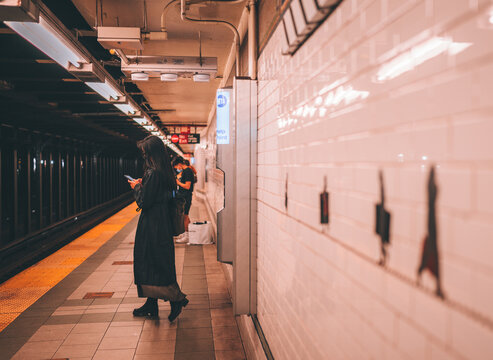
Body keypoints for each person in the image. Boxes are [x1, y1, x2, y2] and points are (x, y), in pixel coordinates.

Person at [127, 135, 188, 322]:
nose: (144, 155)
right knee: (153, 260)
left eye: (145, 152)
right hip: (161, 222)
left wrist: (137, 187)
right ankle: (151, 304)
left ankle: (176, 299)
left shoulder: (154, 173)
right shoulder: (165, 171)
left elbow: (144, 201)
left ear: (152, 153)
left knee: (155, 261)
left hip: (152, 223)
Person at [173, 157, 194, 242]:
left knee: (185, 216)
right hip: (184, 196)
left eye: (177, 167)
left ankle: (187, 236)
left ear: (179, 164)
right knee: (185, 216)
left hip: (186, 197)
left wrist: (178, 183)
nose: (178, 169)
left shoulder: (187, 171)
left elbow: (187, 186)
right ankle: (187, 234)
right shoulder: (185, 171)